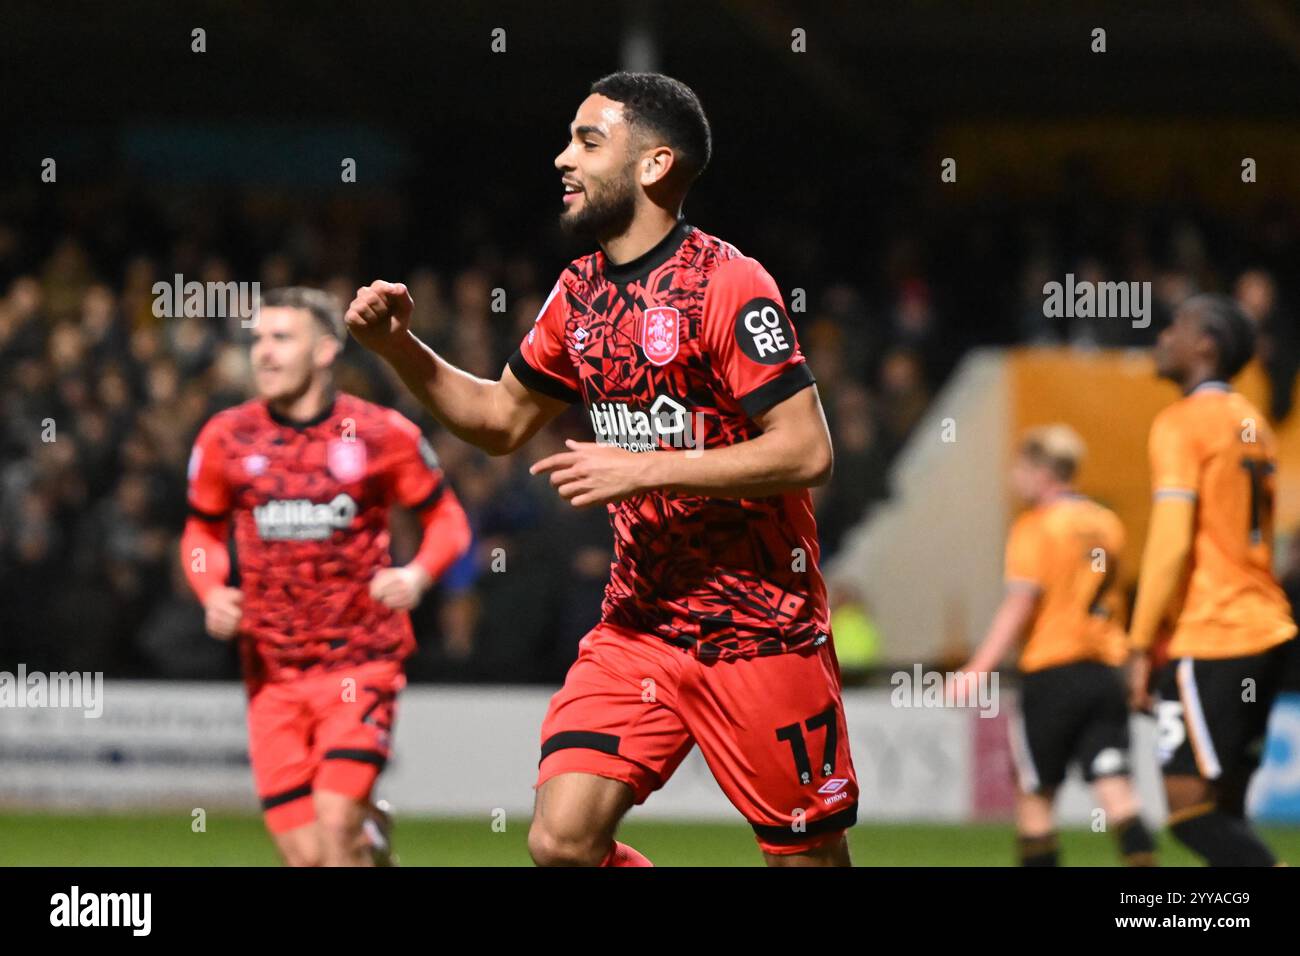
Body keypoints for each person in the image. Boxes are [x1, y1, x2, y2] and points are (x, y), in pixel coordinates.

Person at [345, 72, 857, 866]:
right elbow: (499, 420)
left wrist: (648, 469)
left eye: (588, 141)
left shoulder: (728, 283)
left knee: (804, 859)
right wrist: (397, 350)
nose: (563, 158)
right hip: (639, 627)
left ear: (653, 166)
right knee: (562, 841)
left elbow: (806, 450)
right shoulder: (577, 294)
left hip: (760, 631)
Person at [182, 287, 471, 866]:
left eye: (280, 338)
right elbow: (200, 536)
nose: (262, 352)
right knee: (309, 855)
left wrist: (416, 576)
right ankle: (373, 842)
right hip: (271, 674)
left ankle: (358, 829)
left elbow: (449, 523)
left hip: (360, 662)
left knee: (336, 825)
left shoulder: (380, 433)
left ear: (324, 350)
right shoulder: (225, 437)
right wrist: (210, 590)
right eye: (258, 339)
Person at [1128, 294, 1297, 866]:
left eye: (1175, 327)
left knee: (1188, 814)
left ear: (1206, 345)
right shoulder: (1255, 422)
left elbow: (1171, 541)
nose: (1162, 336)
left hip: (1216, 633)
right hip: (1267, 629)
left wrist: (1137, 643)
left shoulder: (1182, 421)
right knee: (1226, 813)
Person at [961, 425, 1156, 866]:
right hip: (1106, 673)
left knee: (1035, 796)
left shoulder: (1036, 526)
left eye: (1020, 469)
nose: (1015, 479)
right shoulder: (1107, 523)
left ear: (1041, 471)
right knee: (1117, 791)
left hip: (1052, 672)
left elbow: (1019, 604)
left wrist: (977, 668)